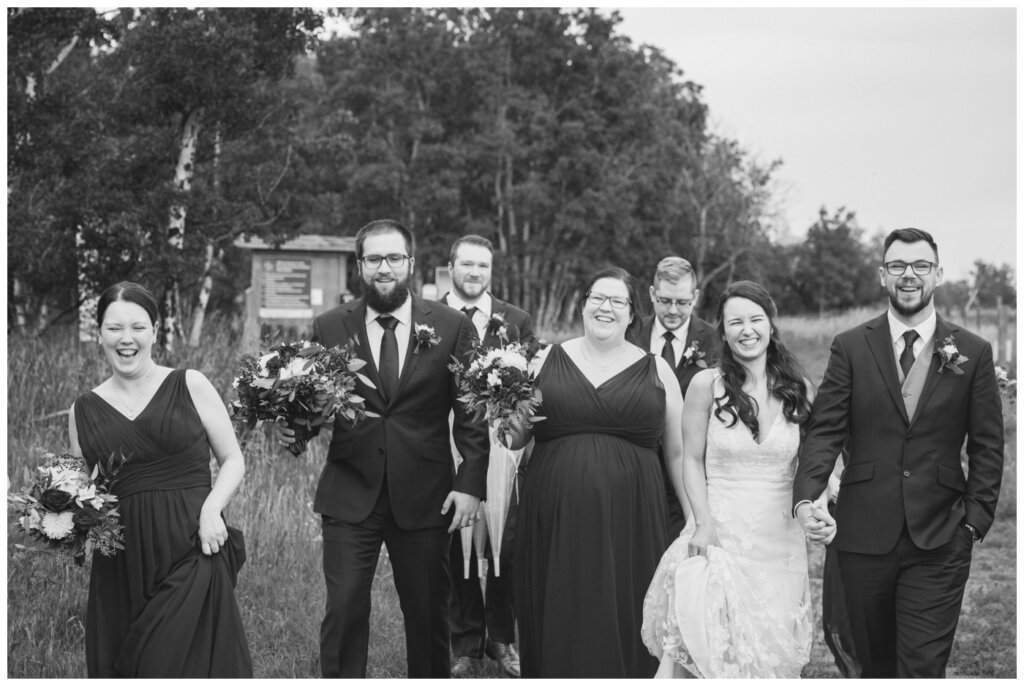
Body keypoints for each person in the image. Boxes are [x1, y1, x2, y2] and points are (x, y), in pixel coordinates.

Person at [279, 219, 490, 678]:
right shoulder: (330, 326)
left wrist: (471, 483)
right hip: (351, 492)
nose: (384, 268)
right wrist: (290, 422)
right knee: (345, 611)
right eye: (374, 259)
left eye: (394, 258)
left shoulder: (452, 326)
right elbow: (314, 404)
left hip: (426, 493)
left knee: (429, 614)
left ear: (410, 263)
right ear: (360, 266)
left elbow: (472, 413)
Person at [793, 227, 1004, 678]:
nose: (909, 275)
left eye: (921, 265)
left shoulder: (972, 351)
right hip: (861, 534)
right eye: (898, 266)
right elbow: (825, 432)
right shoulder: (850, 346)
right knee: (872, 665)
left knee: (921, 666)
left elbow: (987, 444)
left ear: (938, 274)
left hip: (942, 535)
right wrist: (808, 496)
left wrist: (975, 520)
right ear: (882, 275)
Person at [68, 282, 252, 677]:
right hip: (121, 563)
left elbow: (233, 458)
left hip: (192, 546)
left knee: (179, 663)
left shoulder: (190, 384)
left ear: (155, 330)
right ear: (98, 333)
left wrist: (212, 510)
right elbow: (80, 491)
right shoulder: (82, 410)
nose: (126, 339)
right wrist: (53, 515)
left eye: (137, 327)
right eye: (114, 328)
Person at [511, 267, 686, 678]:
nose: (605, 307)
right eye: (597, 298)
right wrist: (500, 400)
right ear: (583, 304)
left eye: (617, 301)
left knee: (628, 607)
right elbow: (514, 441)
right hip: (554, 515)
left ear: (632, 314)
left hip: (633, 518)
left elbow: (678, 454)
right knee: (559, 605)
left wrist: (695, 516)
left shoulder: (657, 370)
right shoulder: (542, 360)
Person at [642, 280, 816, 678]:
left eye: (756, 319)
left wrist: (824, 498)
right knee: (711, 644)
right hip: (719, 533)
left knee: (770, 645)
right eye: (735, 322)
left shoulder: (799, 389)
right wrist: (701, 523)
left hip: (780, 538)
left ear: (771, 326)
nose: (747, 329)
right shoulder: (706, 385)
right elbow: (690, 459)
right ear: (722, 330)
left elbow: (814, 461)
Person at [439, 234, 534, 678]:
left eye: (483, 266)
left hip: (502, 450)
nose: (475, 273)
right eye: (467, 265)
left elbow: (532, 388)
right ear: (451, 268)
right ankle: (465, 642)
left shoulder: (516, 320)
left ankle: (501, 638)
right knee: (453, 541)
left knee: (506, 545)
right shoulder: (430, 318)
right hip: (445, 446)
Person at [628, 256, 719, 539]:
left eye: (682, 302)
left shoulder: (715, 340)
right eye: (665, 301)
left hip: (693, 468)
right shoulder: (629, 334)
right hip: (636, 467)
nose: (673, 310)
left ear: (695, 297)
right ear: (652, 294)